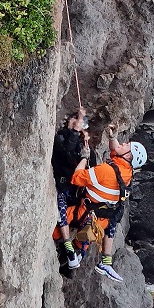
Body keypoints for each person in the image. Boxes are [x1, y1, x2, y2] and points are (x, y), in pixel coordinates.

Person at [53, 137, 147, 282]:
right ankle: (79, 255)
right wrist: (112, 136)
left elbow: (76, 178)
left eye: (127, 145)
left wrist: (84, 157)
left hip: (83, 213)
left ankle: (67, 248)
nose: (122, 143)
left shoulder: (105, 170)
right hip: (100, 223)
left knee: (59, 201)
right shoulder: (127, 173)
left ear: (128, 155)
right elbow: (115, 151)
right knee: (82, 241)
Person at [51, 107, 90, 270]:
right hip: (61, 187)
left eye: (77, 120)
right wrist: (75, 130)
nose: (75, 121)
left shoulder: (81, 147)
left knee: (89, 214)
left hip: (72, 190)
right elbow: (65, 149)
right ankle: (69, 250)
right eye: (74, 119)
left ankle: (79, 251)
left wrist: (84, 143)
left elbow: (81, 161)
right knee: (61, 212)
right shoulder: (60, 137)